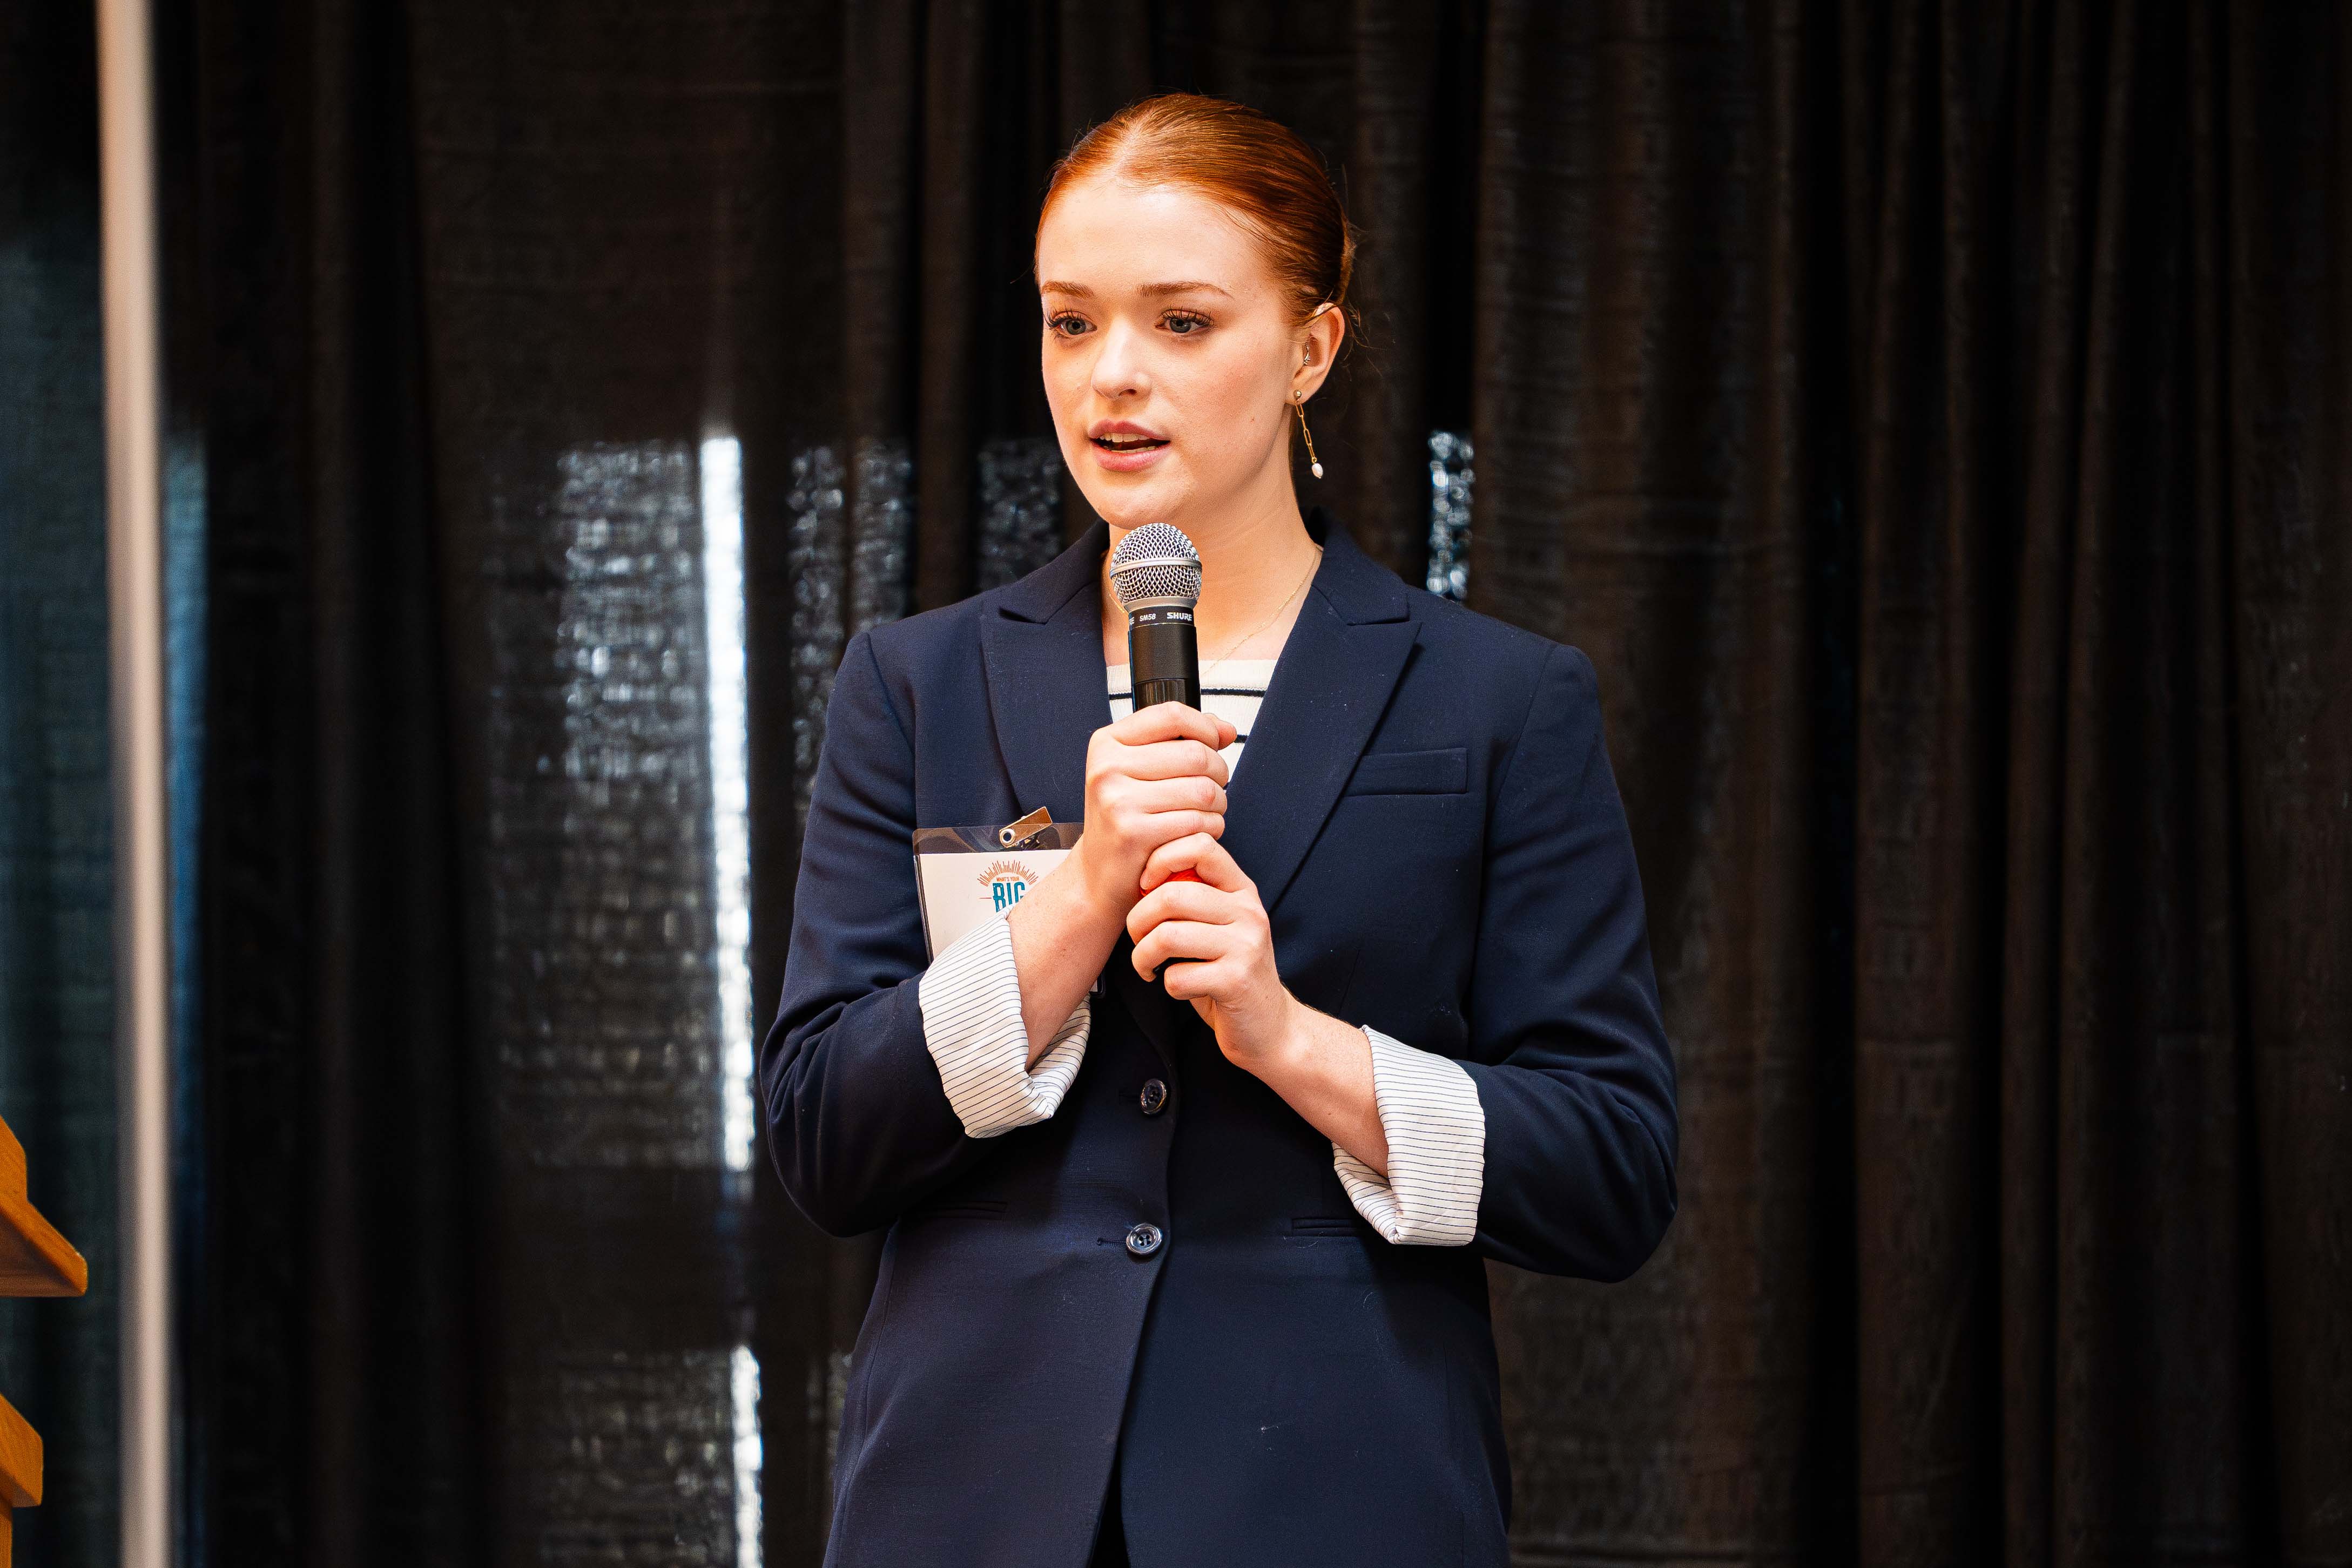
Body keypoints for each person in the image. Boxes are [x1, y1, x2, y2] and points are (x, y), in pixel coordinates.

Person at [761, 92, 1677, 1568]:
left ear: (1311, 346)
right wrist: (1071, 911)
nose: (1112, 377)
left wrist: (1293, 1040)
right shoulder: (917, 681)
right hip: (969, 1507)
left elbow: (1614, 1173)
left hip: (1341, 1502)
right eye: (1071, 323)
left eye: (1181, 323)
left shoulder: (1502, 700)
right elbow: (820, 1140)